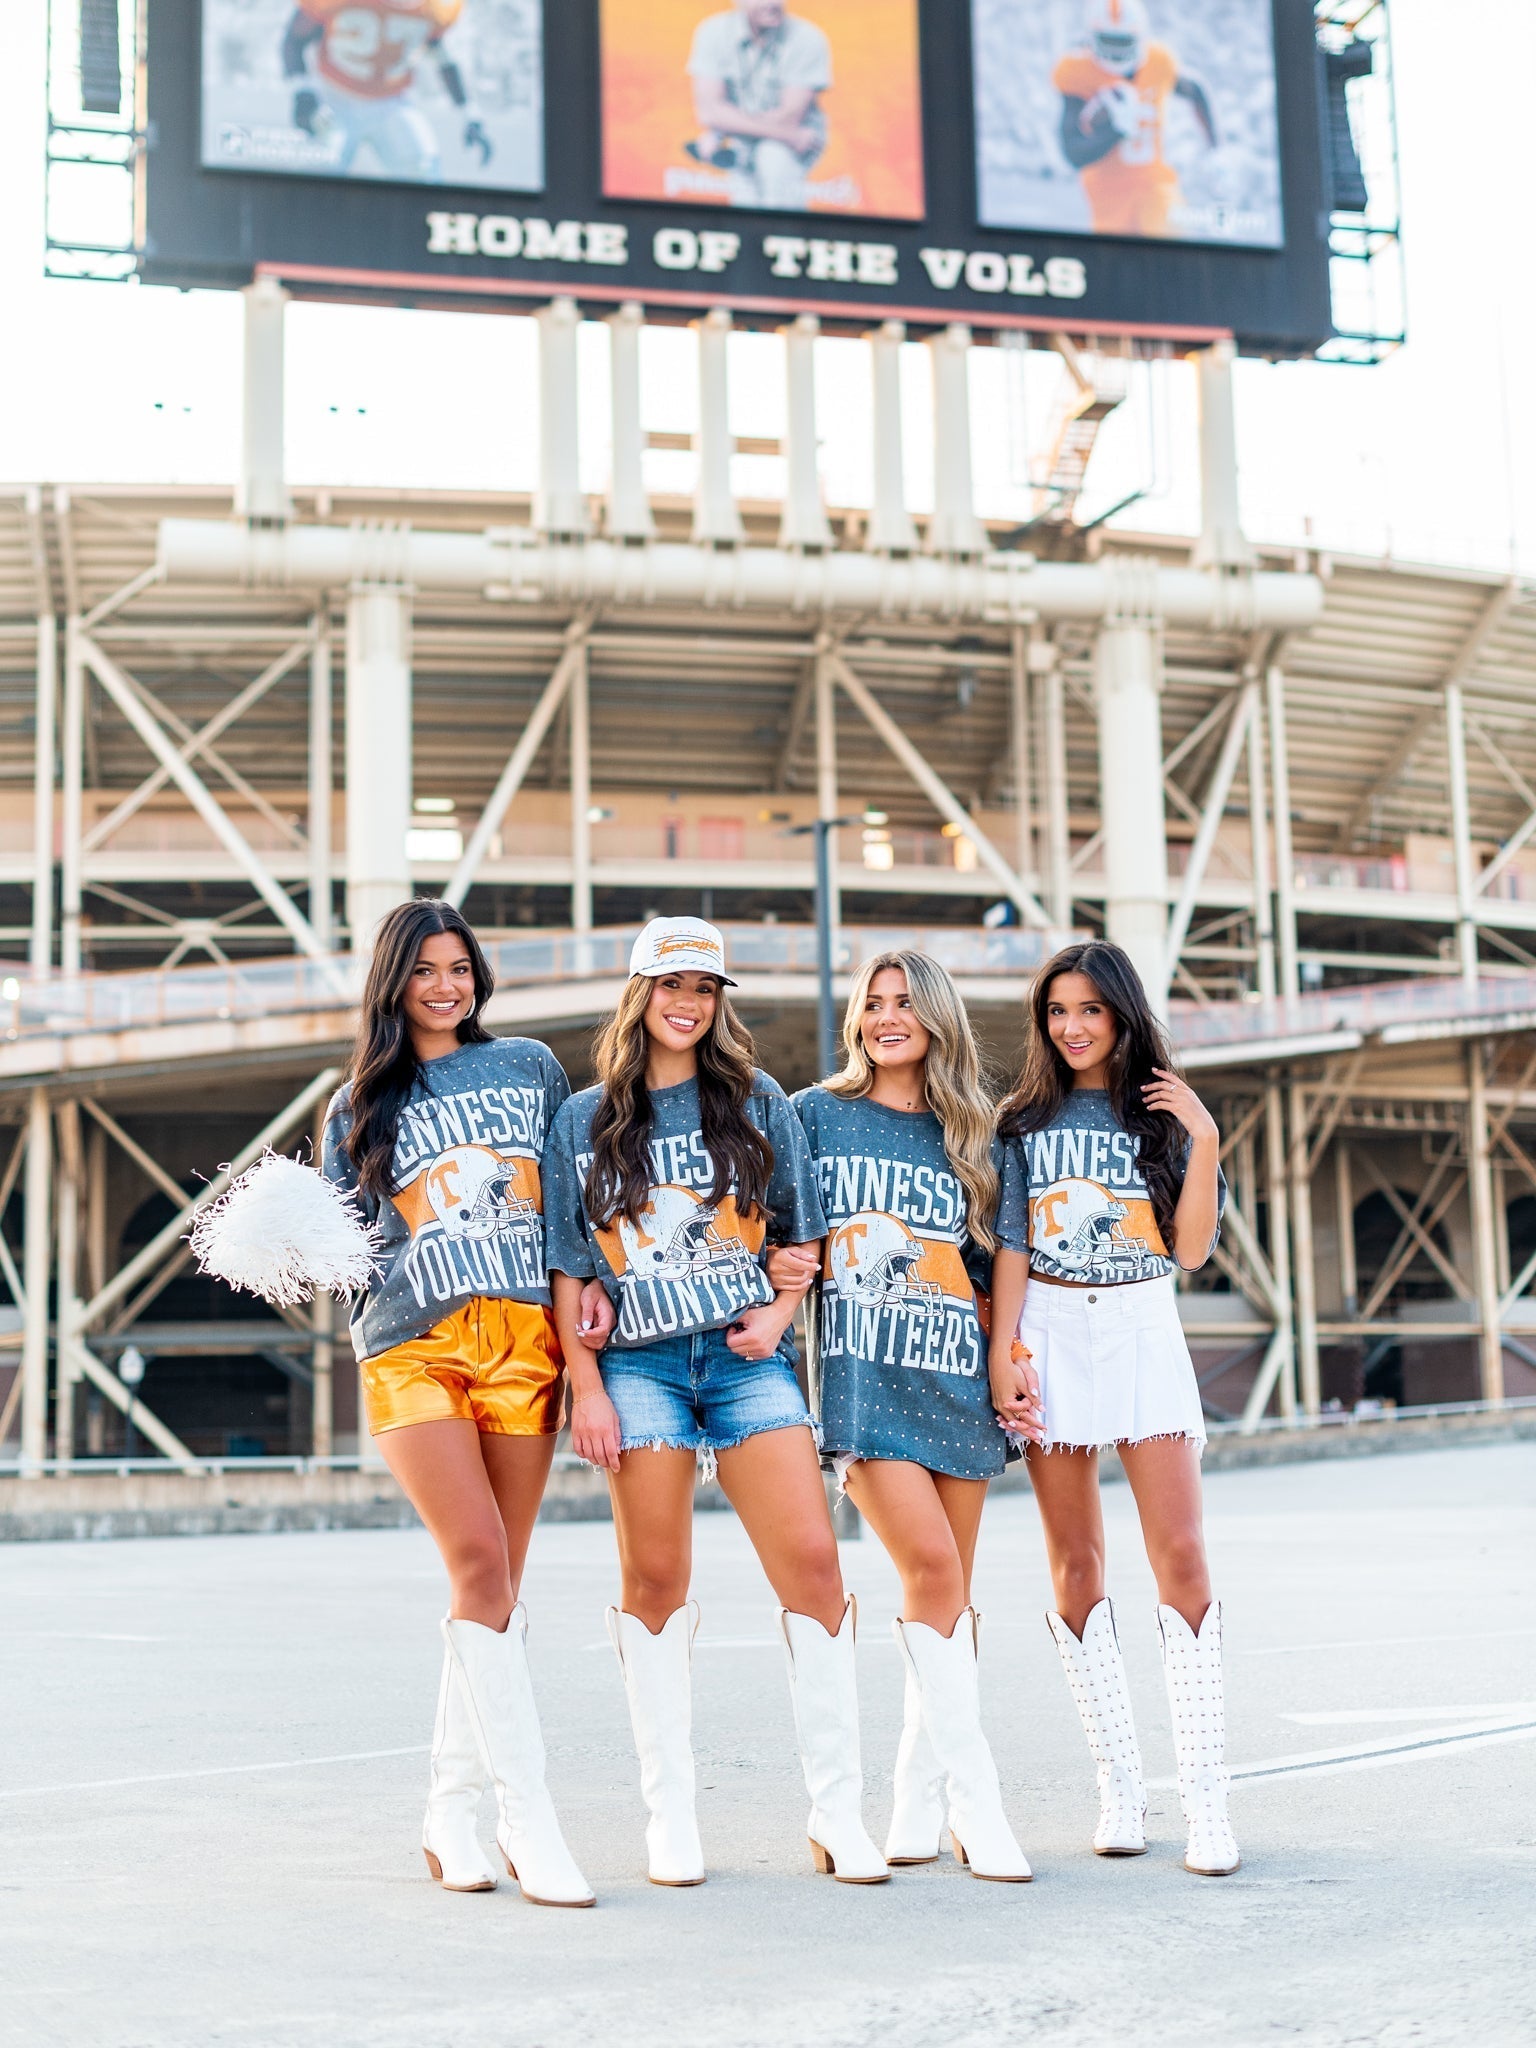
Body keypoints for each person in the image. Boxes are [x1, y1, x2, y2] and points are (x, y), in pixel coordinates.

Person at [543, 917, 887, 1889]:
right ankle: (670, 1818)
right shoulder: (586, 1116)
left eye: (703, 987)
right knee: (656, 1578)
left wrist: (779, 1316)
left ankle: (837, 1814)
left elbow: (801, 1235)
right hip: (641, 1366)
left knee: (816, 1564)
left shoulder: (757, 1100)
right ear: (640, 993)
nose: (687, 1003)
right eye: (670, 984)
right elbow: (571, 1267)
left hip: (743, 1362)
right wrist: (588, 1386)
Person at [320, 898, 613, 1908]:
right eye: (424, 968)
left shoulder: (530, 1066)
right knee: (478, 1560)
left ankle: (449, 1812)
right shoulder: (356, 1099)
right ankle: (529, 1818)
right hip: (414, 1344)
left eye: (459, 966)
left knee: (492, 1586)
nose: (444, 984)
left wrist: (581, 1348)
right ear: (393, 981)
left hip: (525, 1339)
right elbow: (342, 1241)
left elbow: (570, 1206)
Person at [785, 950, 1037, 1884]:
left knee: (948, 1602)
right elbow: (775, 1228)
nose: (887, 1017)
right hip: (864, 1391)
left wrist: (1008, 1362)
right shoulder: (816, 1115)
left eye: (904, 1003)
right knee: (930, 1570)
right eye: (873, 1003)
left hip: (958, 1386)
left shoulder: (978, 1134)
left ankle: (913, 1800)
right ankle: (979, 1804)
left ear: (936, 1017)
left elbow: (993, 1271)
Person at [987, 939, 1237, 1876]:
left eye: (1091, 1009)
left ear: (1123, 1015)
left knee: (1180, 1552)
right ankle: (1120, 1788)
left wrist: (1205, 1139)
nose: (1073, 1027)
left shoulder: (1165, 1117)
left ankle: (1208, 1802)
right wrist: (1009, 1354)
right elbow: (1012, 1244)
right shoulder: (1022, 1121)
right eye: (1058, 1011)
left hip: (1141, 1326)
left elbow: (1193, 1252)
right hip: (1049, 1326)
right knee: (1076, 1556)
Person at [1054, 0, 1216, 239]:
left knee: (1168, 241)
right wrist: (1115, 131)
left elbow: (1196, 90)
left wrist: (1215, 146)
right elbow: (1073, 152)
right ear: (1091, 38)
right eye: (1108, 41)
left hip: (1155, 183)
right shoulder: (1077, 73)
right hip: (1107, 194)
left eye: (1124, 42)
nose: (1116, 52)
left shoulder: (1159, 61)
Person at [686, 0, 830, 210]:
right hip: (756, 140)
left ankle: (785, 238)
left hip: (788, 145)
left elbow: (790, 117)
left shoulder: (807, 37)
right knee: (745, 203)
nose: (773, 3)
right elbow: (709, 113)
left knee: (773, 158)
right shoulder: (712, 32)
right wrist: (720, 131)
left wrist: (723, 130)